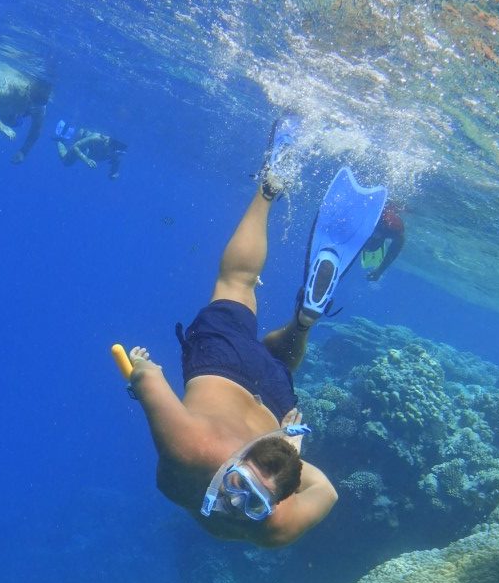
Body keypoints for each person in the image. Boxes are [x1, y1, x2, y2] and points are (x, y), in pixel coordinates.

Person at [126, 124, 339, 548]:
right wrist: (140, 369)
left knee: (275, 359)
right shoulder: (190, 452)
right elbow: (149, 378)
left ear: (278, 502)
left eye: (254, 503)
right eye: (242, 486)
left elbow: (324, 489)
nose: (235, 503)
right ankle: (269, 189)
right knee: (237, 282)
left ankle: (302, 322)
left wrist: (287, 446)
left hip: (276, 406)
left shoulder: (277, 526)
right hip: (222, 371)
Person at [54, 120, 128, 180]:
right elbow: (75, 146)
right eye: (112, 150)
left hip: (92, 151)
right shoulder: (97, 138)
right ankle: (59, 140)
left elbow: (114, 171)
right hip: (82, 137)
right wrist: (86, 160)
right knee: (67, 162)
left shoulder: (116, 154)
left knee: (94, 155)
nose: (113, 153)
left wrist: (113, 174)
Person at [360, 198, 405, 281]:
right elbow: (395, 250)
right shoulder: (393, 227)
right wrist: (379, 271)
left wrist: (379, 271)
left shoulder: (392, 227)